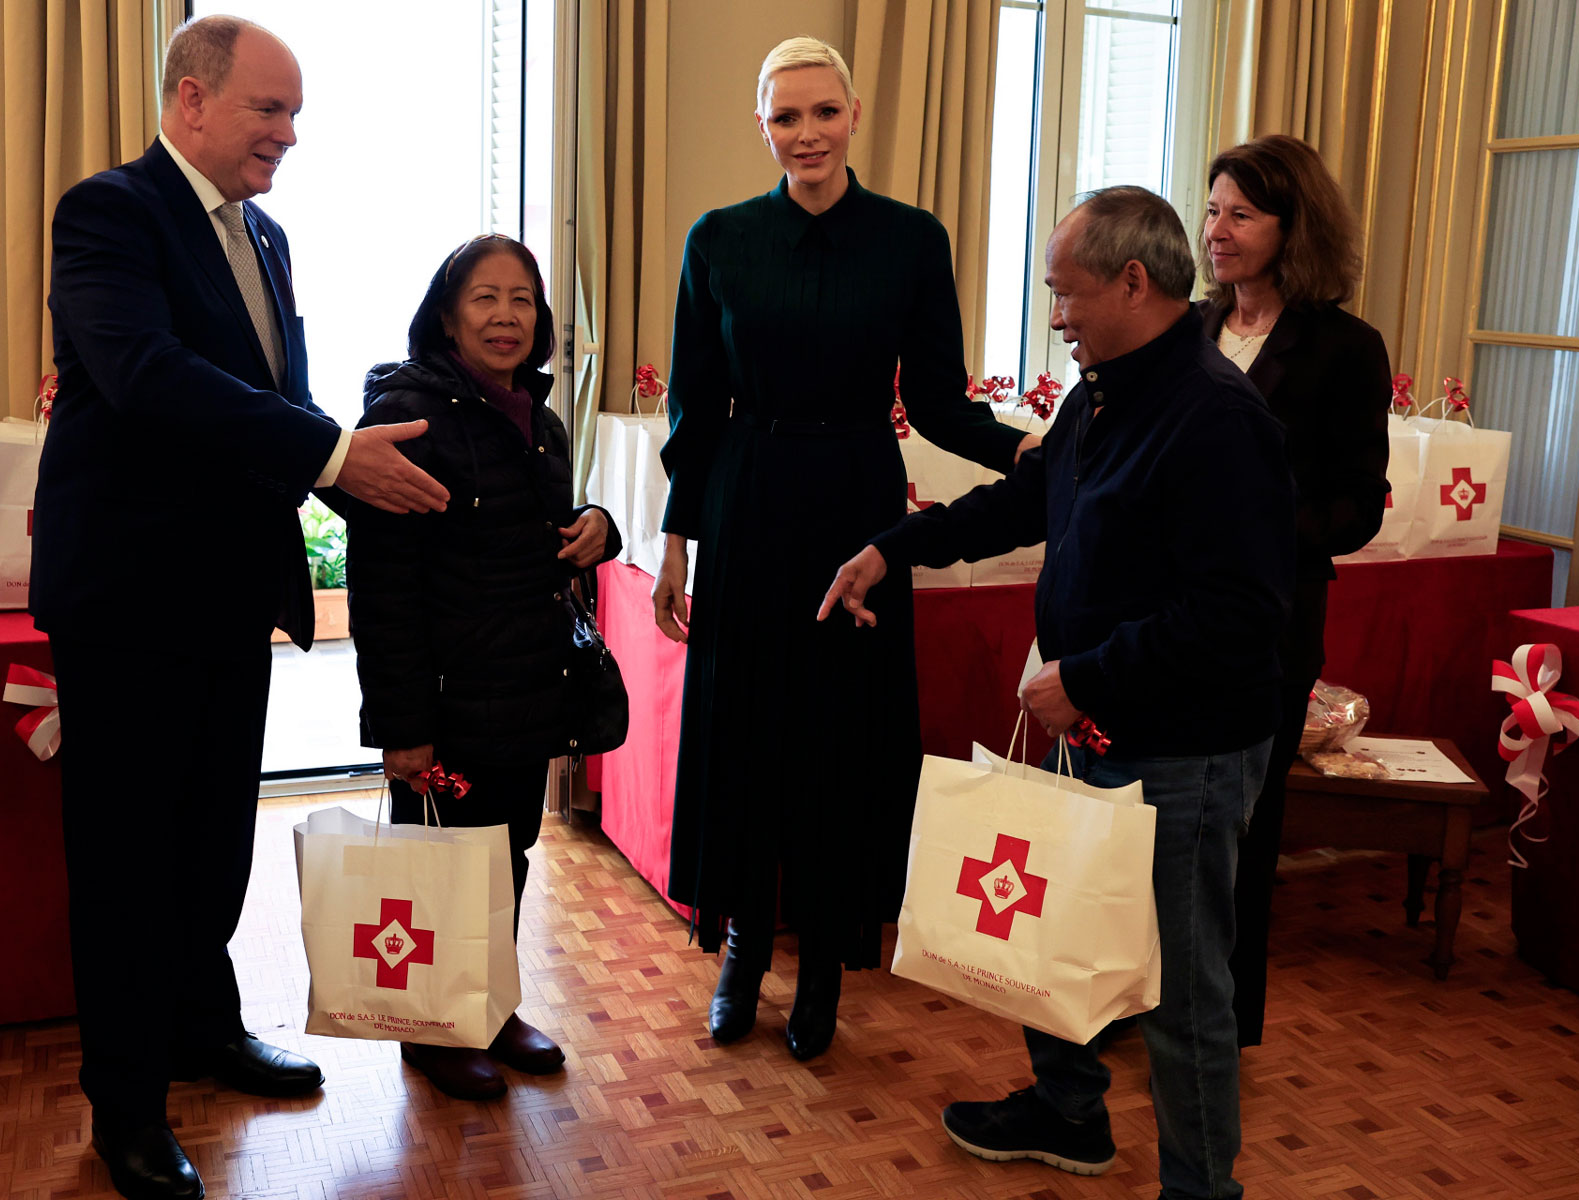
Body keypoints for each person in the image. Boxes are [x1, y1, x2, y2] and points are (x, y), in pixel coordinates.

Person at [32, 17, 449, 1200]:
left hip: (228, 597)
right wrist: (332, 456)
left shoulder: (265, 236)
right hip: (127, 599)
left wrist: (357, 483)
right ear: (191, 99)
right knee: (126, 861)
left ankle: (203, 1033)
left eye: (296, 112)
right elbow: (148, 377)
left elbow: (277, 398)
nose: (288, 133)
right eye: (269, 109)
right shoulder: (108, 213)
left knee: (213, 845)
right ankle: (125, 1103)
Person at [819, 186, 1294, 1198]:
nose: (1055, 315)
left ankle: (1202, 1188)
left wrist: (1086, 675)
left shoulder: (1217, 419)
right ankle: (1069, 1110)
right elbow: (1023, 501)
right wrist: (889, 551)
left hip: (1183, 751)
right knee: (1058, 934)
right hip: (1098, 723)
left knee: (1181, 992)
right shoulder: (1100, 391)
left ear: (1133, 281)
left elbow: (1241, 613)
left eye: (1063, 293)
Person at [651, 36, 1039, 1062]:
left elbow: (944, 404)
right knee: (743, 729)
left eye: (823, 113)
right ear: (764, 127)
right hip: (745, 502)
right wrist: (678, 539)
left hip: (859, 508)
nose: (806, 134)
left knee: (839, 735)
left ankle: (823, 958)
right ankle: (742, 944)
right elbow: (697, 408)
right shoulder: (718, 239)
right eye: (786, 118)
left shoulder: (912, 240)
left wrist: (1032, 449)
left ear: (855, 115)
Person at [347, 234, 621, 1101]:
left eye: (523, 301)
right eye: (485, 299)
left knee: (507, 857)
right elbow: (380, 591)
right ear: (446, 313)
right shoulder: (409, 419)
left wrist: (596, 529)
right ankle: (432, 1032)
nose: (507, 317)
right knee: (441, 868)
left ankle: (491, 1009)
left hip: (525, 689)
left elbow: (538, 542)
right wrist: (404, 729)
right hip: (445, 699)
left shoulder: (538, 422)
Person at [1198, 134, 1391, 1048]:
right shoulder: (1186, 328)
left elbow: (1359, 505)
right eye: (1210, 210)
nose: (1216, 230)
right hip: (1164, 621)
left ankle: (1226, 1020)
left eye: (1240, 213)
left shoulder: (1346, 347)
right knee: (1157, 826)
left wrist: (1260, 529)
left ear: (1291, 226)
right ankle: (1142, 999)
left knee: (1243, 828)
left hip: (1270, 624)